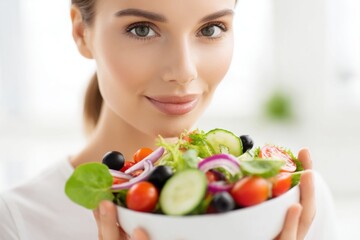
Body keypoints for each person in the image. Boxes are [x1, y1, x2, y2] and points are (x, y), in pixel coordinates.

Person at [0, 0, 337, 239]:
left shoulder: (291, 205)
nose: (183, 71)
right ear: (81, 32)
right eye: (142, 29)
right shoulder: (18, 221)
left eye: (212, 28)